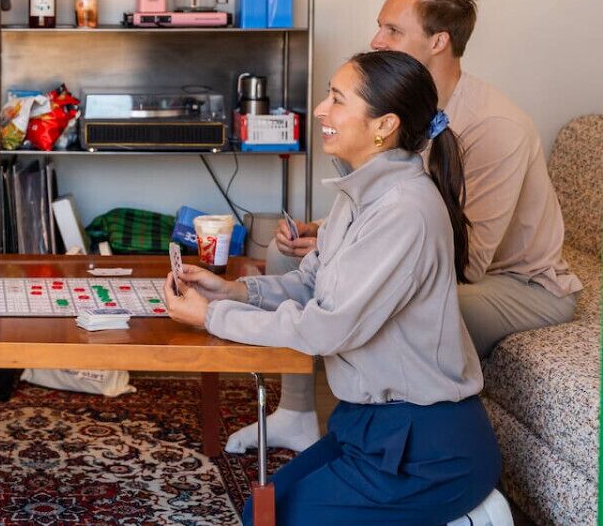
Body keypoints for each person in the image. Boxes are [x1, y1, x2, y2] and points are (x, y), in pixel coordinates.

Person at [229, 0, 581, 454]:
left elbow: (465, 258)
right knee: (285, 255)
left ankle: (398, 450)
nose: (376, 40)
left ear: (439, 42)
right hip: (427, 251)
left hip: (519, 283)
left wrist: (348, 254)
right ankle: (294, 414)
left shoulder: (495, 127)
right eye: (379, 28)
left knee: (399, 313)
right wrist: (327, 236)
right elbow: (394, 209)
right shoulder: (408, 105)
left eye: (392, 30)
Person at [163, 51, 500, 525]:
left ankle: (467, 515)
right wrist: (230, 292)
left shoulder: (405, 211)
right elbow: (310, 284)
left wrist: (210, 318)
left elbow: (326, 330)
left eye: (337, 100)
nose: (320, 110)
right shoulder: (357, 197)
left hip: (425, 450)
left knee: (276, 521)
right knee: (258, 512)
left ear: (384, 125)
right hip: (367, 427)